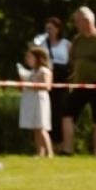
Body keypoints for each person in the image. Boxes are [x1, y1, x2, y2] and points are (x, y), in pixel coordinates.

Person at [65, 6, 96, 155]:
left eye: (78, 21)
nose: (76, 25)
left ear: (87, 21)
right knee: (67, 114)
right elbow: (72, 59)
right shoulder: (77, 40)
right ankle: (68, 149)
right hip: (79, 84)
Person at [35, 16, 73, 156]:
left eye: (51, 28)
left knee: (61, 113)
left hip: (62, 82)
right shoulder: (42, 44)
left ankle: (62, 145)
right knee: (47, 114)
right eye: (47, 28)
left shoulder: (66, 44)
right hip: (48, 81)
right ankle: (45, 147)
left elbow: (71, 62)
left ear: (58, 29)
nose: (49, 31)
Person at [18, 44, 54, 157]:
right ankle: (40, 152)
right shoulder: (31, 72)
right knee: (36, 128)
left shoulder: (44, 71)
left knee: (42, 127)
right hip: (31, 100)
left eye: (30, 57)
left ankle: (50, 152)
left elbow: (47, 86)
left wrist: (32, 86)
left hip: (40, 100)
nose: (27, 60)